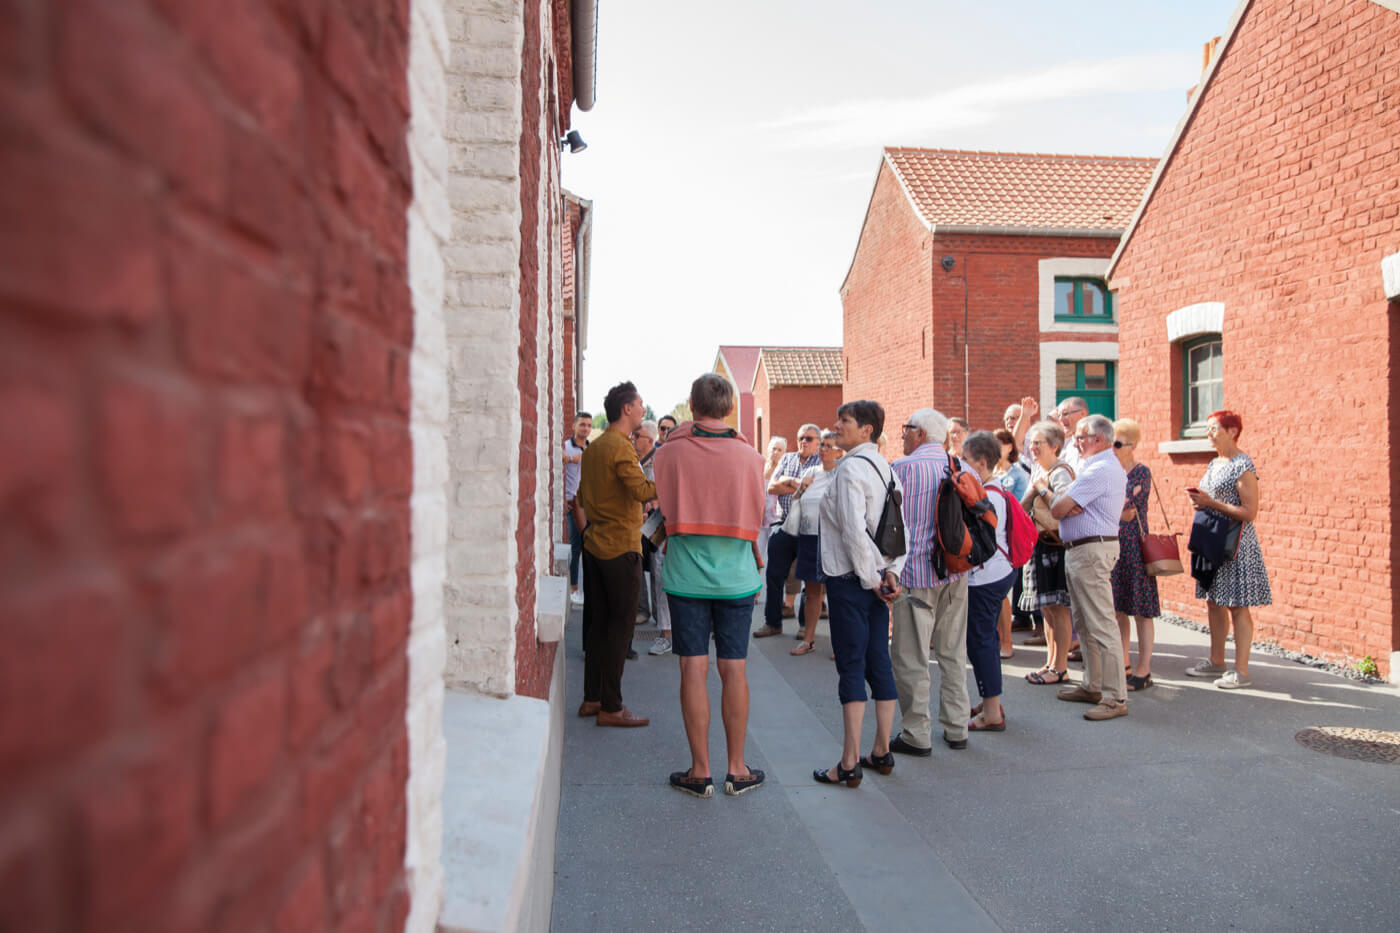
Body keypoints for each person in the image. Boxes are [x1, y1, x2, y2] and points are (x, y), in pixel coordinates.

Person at [653, 374, 767, 797]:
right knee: (734, 669)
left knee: (692, 667)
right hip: (737, 577)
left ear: (691, 404)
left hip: (686, 575)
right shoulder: (750, 456)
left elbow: (661, 501)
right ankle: (737, 768)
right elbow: (758, 514)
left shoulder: (671, 452)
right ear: (730, 409)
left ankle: (700, 771)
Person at [814, 401, 905, 788]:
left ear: (866, 430)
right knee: (878, 663)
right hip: (877, 579)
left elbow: (853, 530)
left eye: (845, 421)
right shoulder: (887, 468)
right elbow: (900, 528)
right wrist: (890, 575)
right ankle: (881, 749)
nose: (837, 425)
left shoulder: (851, 468)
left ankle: (849, 761)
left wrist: (871, 579)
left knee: (851, 666)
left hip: (852, 580)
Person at [888, 408, 971, 757]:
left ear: (920, 434)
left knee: (911, 658)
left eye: (906, 429)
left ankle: (916, 733)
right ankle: (957, 727)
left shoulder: (900, 469)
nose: (902, 434)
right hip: (954, 572)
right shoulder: (959, 467)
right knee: (953, 652)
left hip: (915, 574)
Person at [576, 382, 657, 727]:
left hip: (595, 545)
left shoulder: (594, 447)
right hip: (620, 548)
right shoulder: (621, 447)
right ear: (627, 409)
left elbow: (579, 496)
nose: (642, 409)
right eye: (640, 405)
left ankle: (592, 698)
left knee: (597, 626)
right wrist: (672, 480)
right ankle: (612, 706)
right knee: (620, 629)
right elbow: (641, 490)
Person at [1046, 414, 1128, 721]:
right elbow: (1063, 507)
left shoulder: (1100, 469)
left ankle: (1115, 696)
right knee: (1085, 622)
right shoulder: (1095, 467)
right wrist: (1066, 501)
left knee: (1101, 623)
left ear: (1100, 440)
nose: (1075, 442)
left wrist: (1057, 497)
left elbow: (1057, 509)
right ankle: (1094, 684)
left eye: (1082, 437)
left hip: (1091, 549)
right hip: (1083, 549)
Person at [1184, 410, 1271, 689]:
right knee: (1213, 601)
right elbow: (1211, 499)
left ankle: (1241, 670)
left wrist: (1211, 504)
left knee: (1237, 606)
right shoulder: (1215, 463)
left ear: (1232, 431)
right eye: (1207, 429)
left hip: (1235, 544)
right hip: (1211, 539)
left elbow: (1250, 512)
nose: (1208, 433)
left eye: (1214, 429)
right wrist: (1199, 502)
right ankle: (1216, 661)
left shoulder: (1242, 464)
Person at [961, 431, 1018, 732]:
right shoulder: (994, 490)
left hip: (985, 577)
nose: (960, 465)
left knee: (980, 642)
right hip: (998, 573)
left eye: (965, 460)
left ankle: (992, 712)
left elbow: (982, 543)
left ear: (981, 463)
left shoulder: (987, 496)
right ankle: (989, 700)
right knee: (986, 640)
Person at [1020, 421, 1076, 686]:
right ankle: (1051, 661)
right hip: (1040, 543)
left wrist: (1042, 488)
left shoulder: (1060, 472)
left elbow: (1063, 505)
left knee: (1059, 609)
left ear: (1055, 446)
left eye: (1038, 443)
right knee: (1048, 611)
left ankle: (1060, 666)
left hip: (1056, 545)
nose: (1032, 447)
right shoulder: (1038, 471)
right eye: (1031, 442)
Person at [755, 424, 821, 637]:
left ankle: (804, 626)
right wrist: (797, 483)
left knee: (807, 579)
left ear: (817, 442)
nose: (804, 441)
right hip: (783, 525)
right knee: (774, 575)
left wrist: (789, 483)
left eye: (810, 438)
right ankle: (772, 623)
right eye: (801, 437)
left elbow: (815, 491)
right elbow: (771, 487)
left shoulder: (822, 462)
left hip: (809, 529)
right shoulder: (788, 459)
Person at [1110, 419, 1160, 690]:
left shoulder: (1141, 472)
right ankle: (1123, 664)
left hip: (1135, 547)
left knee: (1142, 610)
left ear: (1132, 445)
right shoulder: (1111, 471)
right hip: (1114, 546)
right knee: (1118, 609)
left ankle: (1144, 669)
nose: (1113, 448)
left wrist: (1113, 509)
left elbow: (1128, 509)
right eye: (1111, 443)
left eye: (1117, 443)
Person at [790, 429, 841, 656]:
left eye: (829, 446)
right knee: (811, 593)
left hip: (833, 540)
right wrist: (801, 488)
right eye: (822, 445)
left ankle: (841, 644)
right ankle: (808, 640)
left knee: (836, 593)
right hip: (809, 537)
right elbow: (797, 500)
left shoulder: (841, 474)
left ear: (840, 451)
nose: (824, 450)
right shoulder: (811, 471)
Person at [632, 421, 673, 656]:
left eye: (638, 436)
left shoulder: (663, 460)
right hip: (657, 526)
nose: (634, 440)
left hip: (668, 525)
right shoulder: (643, 461)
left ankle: (668, 627)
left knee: (665, 575)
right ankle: (664, 631)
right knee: (658, 573)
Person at [564, 412, 592, 606]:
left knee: (589, 547)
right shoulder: (564, 447)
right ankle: (574, 588)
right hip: (570, 503)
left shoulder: (591, 448)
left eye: (589, 425)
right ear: (574, 426)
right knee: (575, 546)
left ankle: (587, 589)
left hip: (588, 504)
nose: (586, 428)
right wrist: (563, 499)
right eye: (582, 424)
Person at [758, 436, 788, 578]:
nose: (776, 452)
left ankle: (775, 592)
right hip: (759, 518)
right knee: (756, 555)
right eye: (773, 448)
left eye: (779, 450)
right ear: (768, 449)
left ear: (784, 453)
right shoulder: (760, 467)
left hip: (776, 519)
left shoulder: (785, 469)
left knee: (774, 558)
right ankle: (755, 589)